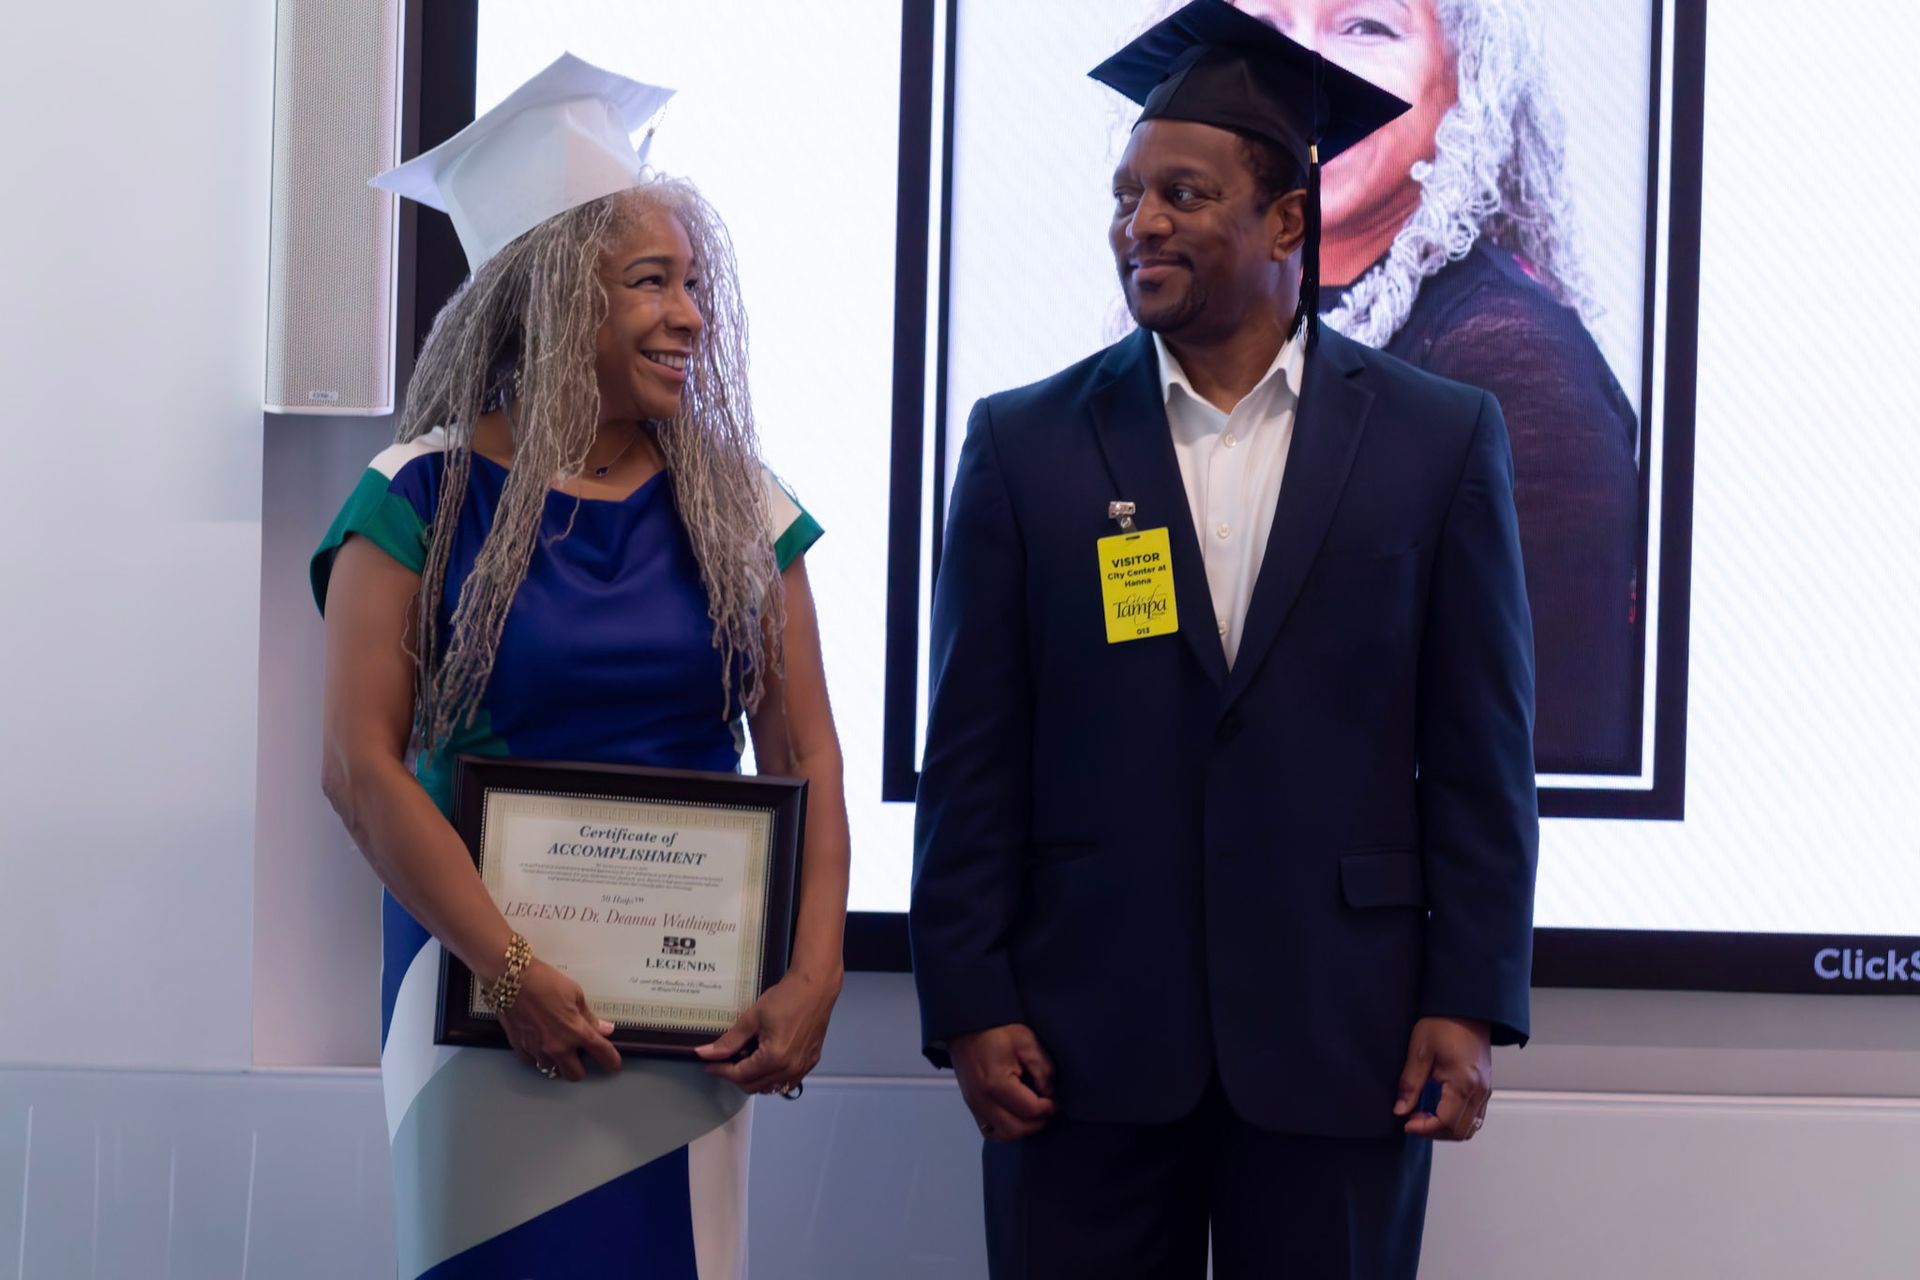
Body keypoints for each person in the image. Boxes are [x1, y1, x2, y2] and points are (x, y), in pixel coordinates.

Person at [910, 3, 1537, 1277]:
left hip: (1342, 1031)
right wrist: (969, 1000)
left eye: (1183, 194)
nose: (1140, 222)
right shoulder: (1023, 446)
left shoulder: (1440, 439)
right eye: (1128, 193)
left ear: (1286, 221)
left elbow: (1481, 755)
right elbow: (971, 752)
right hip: (1078, 1040)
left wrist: (1468, 997)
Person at [314, 55, 849, 1279]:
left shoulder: (740, 506)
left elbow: (808, 752)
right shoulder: (420, 498)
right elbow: (358, 764)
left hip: (686, 1012)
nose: (692, 315)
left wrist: (815, 970)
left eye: (696, 282)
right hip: (474, 999)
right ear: (554, 298)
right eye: (651, 282)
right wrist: (509, 970)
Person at [1166, 0, 1638, 774]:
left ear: (1467, 85)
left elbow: (1545, 763)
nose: (1297, 73)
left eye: (1365, 27)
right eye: (1258, 28)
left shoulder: (1517, 372)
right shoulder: (1213, 337)